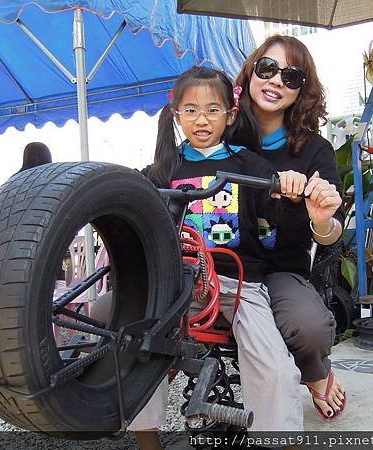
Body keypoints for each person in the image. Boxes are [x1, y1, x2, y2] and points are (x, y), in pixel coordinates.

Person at [92, 66, 303, 450]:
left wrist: (287, 191)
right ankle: (147, 442)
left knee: (273, 367)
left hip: (238, 284)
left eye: (212, 110)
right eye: (190, 110)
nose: (201, 120)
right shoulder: (162, 170)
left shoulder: (249, 166)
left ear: (231, 114)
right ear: (176, 115)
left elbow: (278, 220)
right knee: (139, 348)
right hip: (178, 282)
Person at [233, 34, 347, 421]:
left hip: (281, 269)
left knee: (309, 327)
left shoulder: (315, 151)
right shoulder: (221, 136)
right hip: (224, 266)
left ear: (302, 91)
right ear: (250, 72)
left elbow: (331, 236)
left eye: (292, 76)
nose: (276, 81)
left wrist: (321, 220)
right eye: (267, 68)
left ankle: (317, 372)